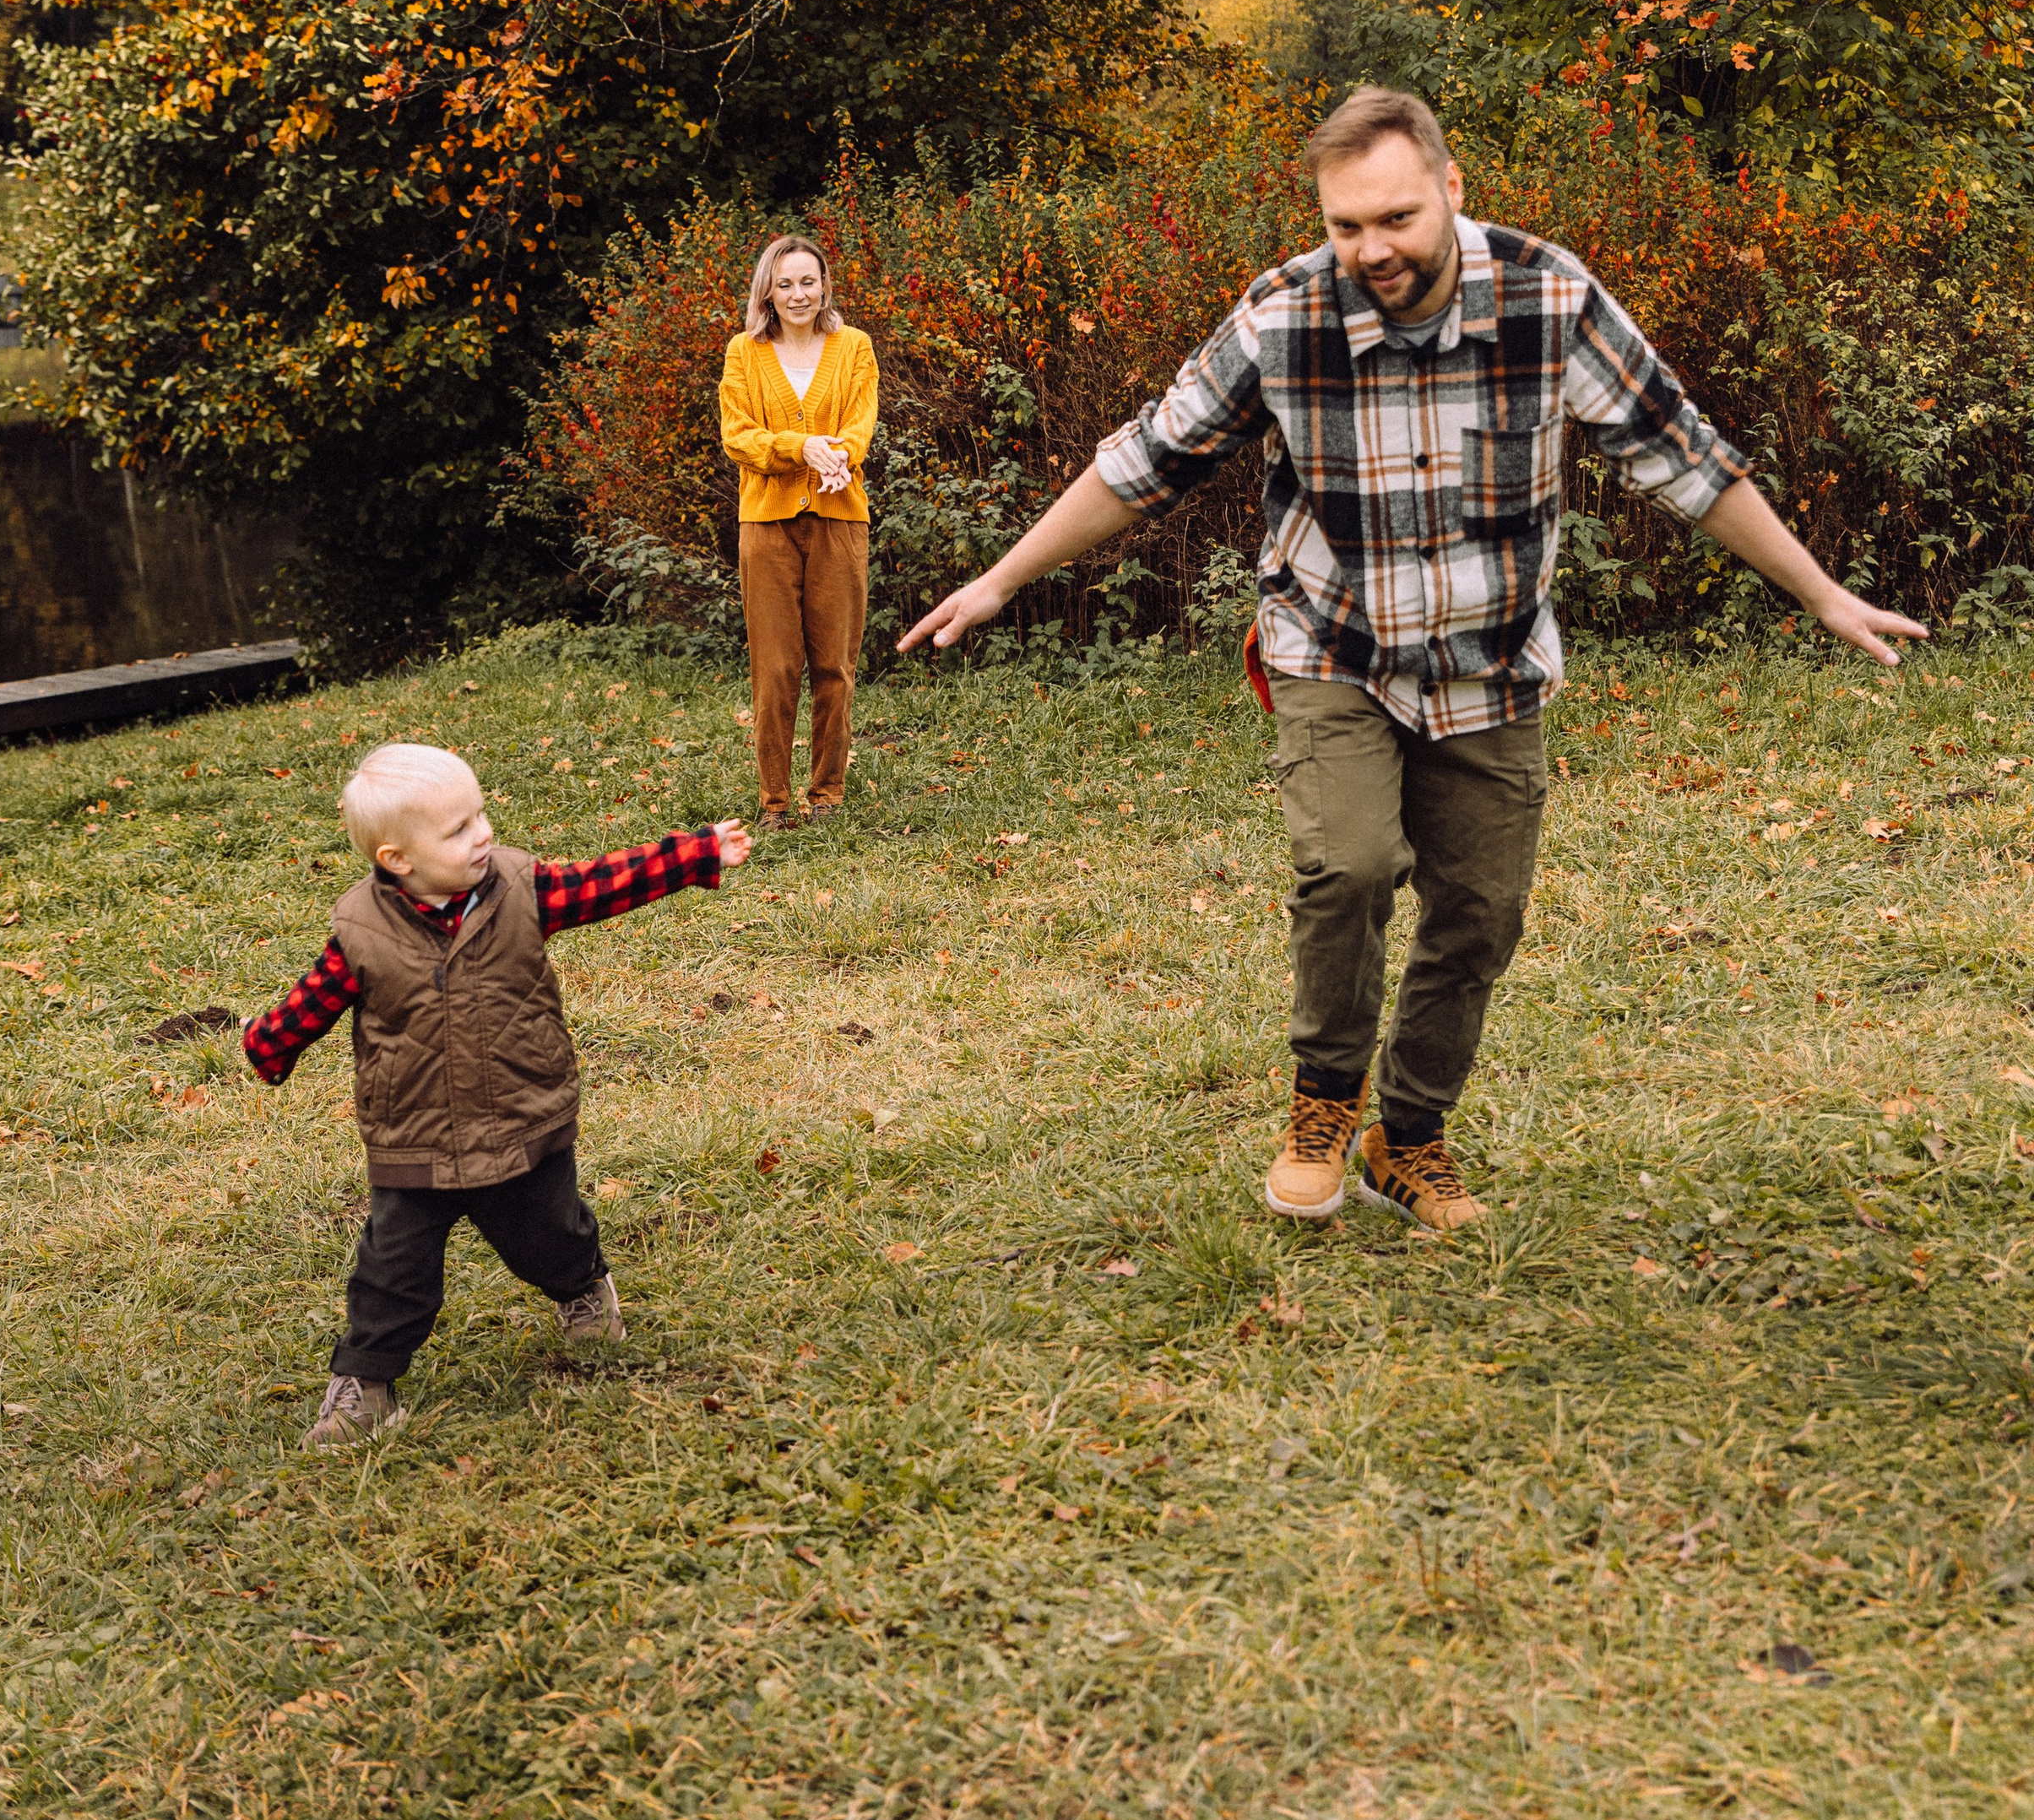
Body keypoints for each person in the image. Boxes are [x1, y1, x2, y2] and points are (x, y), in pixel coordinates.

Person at [900, 86, 1923, 1233]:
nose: (1371, 250)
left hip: (1492, 661)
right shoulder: (1285, 316)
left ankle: (1411, 1135)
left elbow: (1681, 458)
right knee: (1348, 865)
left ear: (1451, 189)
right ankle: (1324, 1104)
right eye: (1345, 226)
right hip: (1332, 642)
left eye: (1393, 218)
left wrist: (1823, 593)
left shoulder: (1550, 295)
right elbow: (1147, 460)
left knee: (1480, 911)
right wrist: (998, 579)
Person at [242, 740, 751, 1445]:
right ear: (397, 859)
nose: (483, 833)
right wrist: (267, 1045)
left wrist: (690, 855)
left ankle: (582, 1288)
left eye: (481, 814)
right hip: (412, 1135)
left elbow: (605, 882)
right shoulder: (361, 929)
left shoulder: (520, 887)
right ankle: (367, 1380)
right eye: (457, 828)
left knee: (547, 1233)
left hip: (522, 1114)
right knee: (392, 1268)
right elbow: (313, 1001)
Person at [719, 233, 880, 825]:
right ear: (768, 290)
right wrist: (802, 447)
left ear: (824, 285)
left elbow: (861, 421)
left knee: (834, 664)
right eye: (784, 283)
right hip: (766, 525)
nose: (797, 293)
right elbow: (738, 436)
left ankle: (828, 795)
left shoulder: (855, 346)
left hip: (840, 518)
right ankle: (774, 803)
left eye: (807, 281)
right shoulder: (744, 352)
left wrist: (840, 455)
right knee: (776, 666)